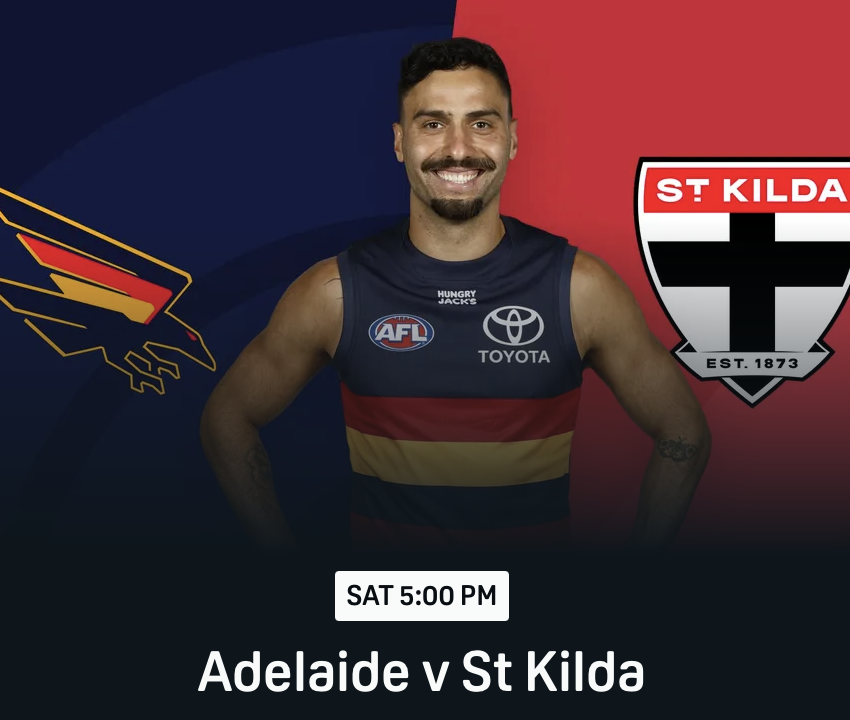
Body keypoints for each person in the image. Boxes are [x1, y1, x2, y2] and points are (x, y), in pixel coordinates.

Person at [200, 37, 711, 554]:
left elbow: (683, 432)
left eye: (482, 123)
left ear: (511, 140)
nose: (460, 148)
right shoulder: (334, 291)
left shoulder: (580, 287)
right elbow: (227, 418)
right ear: (400, 142)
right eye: (433, 123)